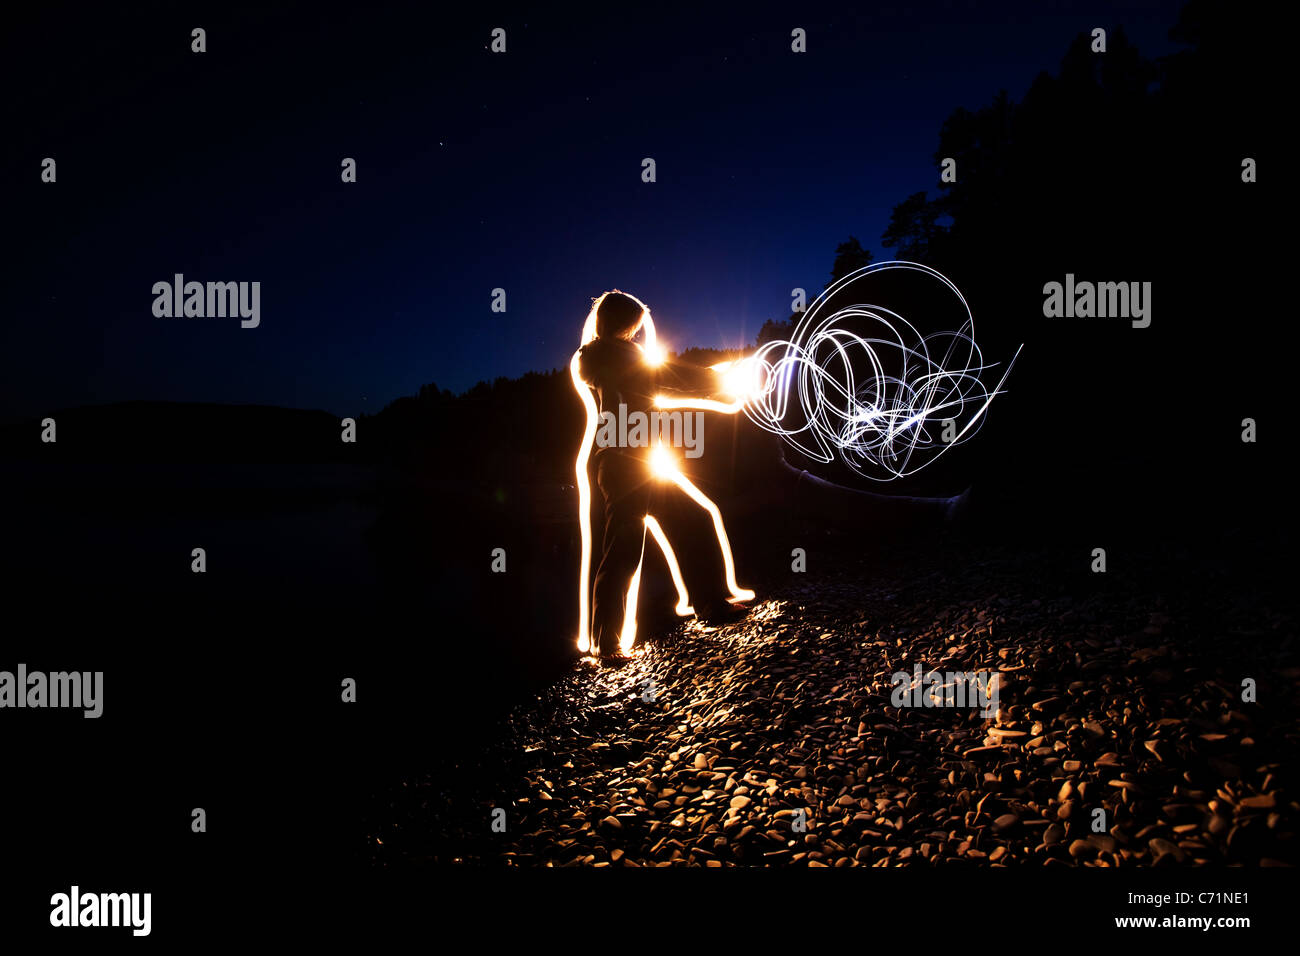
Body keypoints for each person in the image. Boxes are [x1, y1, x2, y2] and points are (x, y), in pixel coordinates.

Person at [576, 290, 747, 662]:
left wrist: (716, 380)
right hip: (627, 464)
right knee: (625, 552)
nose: (638, 330)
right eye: (633, 323)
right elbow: (669, 380)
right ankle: (608, 645)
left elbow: (661, 383)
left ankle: (709, 605)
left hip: (630, 463)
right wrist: (720, 382)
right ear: (621, 321)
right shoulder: (615, 355)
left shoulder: (599, 356)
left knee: (685, 522)